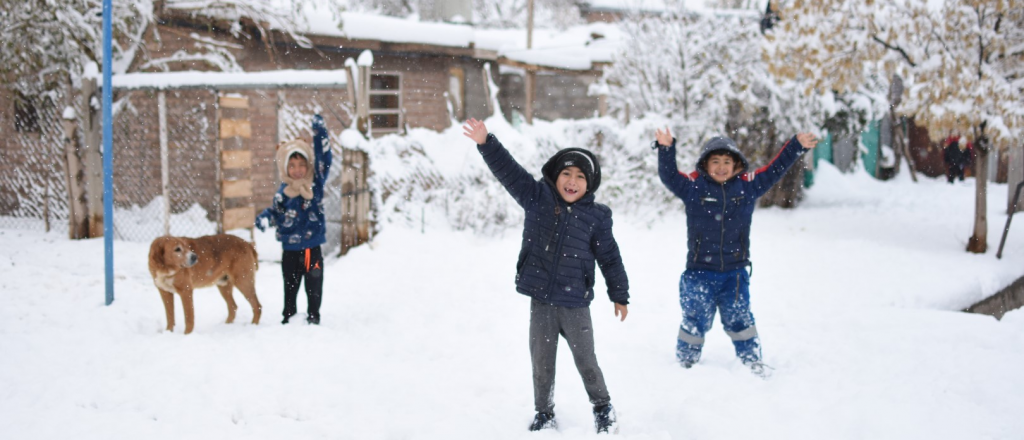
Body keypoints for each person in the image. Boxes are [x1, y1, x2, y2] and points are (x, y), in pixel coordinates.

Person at [462, 118, 630, 433]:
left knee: (586, 362)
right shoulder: (537, 199)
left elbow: (610, 258)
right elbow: (508, 172)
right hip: (541, 301)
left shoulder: (595, 218)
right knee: (542, 364)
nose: (572, 180)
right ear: (555, 176)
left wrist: (619, 294)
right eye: (566, 173)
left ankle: (603, 407)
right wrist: (487, 142)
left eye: (581, 176)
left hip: (575, 304)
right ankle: (544, 412)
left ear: (589, 184)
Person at [654, 128, 817, 378]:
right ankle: (686, 364)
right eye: (715, 161)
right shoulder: (694, 187)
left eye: (727, 162)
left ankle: (751, 360)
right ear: (705, 164)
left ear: (737, 165)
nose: (721, 167)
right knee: (695, 320)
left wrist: (796, 146)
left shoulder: (747, 187)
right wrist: (666, 149)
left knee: (740, 319)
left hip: (735, 274)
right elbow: (669, 176)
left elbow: (774, 170)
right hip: (699, 272)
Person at [255, 115, 332, 325]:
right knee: (290, 284)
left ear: (308, 166)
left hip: (311, 247)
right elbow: (276, 211)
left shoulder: (315, 185)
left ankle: (313, 317)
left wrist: (319, 134)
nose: (297, 170)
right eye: (292, 165)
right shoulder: (283, 193)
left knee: (314, 284)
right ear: (284, 168)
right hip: (290, 249)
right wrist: (265, 218)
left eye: (302, 164)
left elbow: (324, 159)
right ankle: (288, 317)